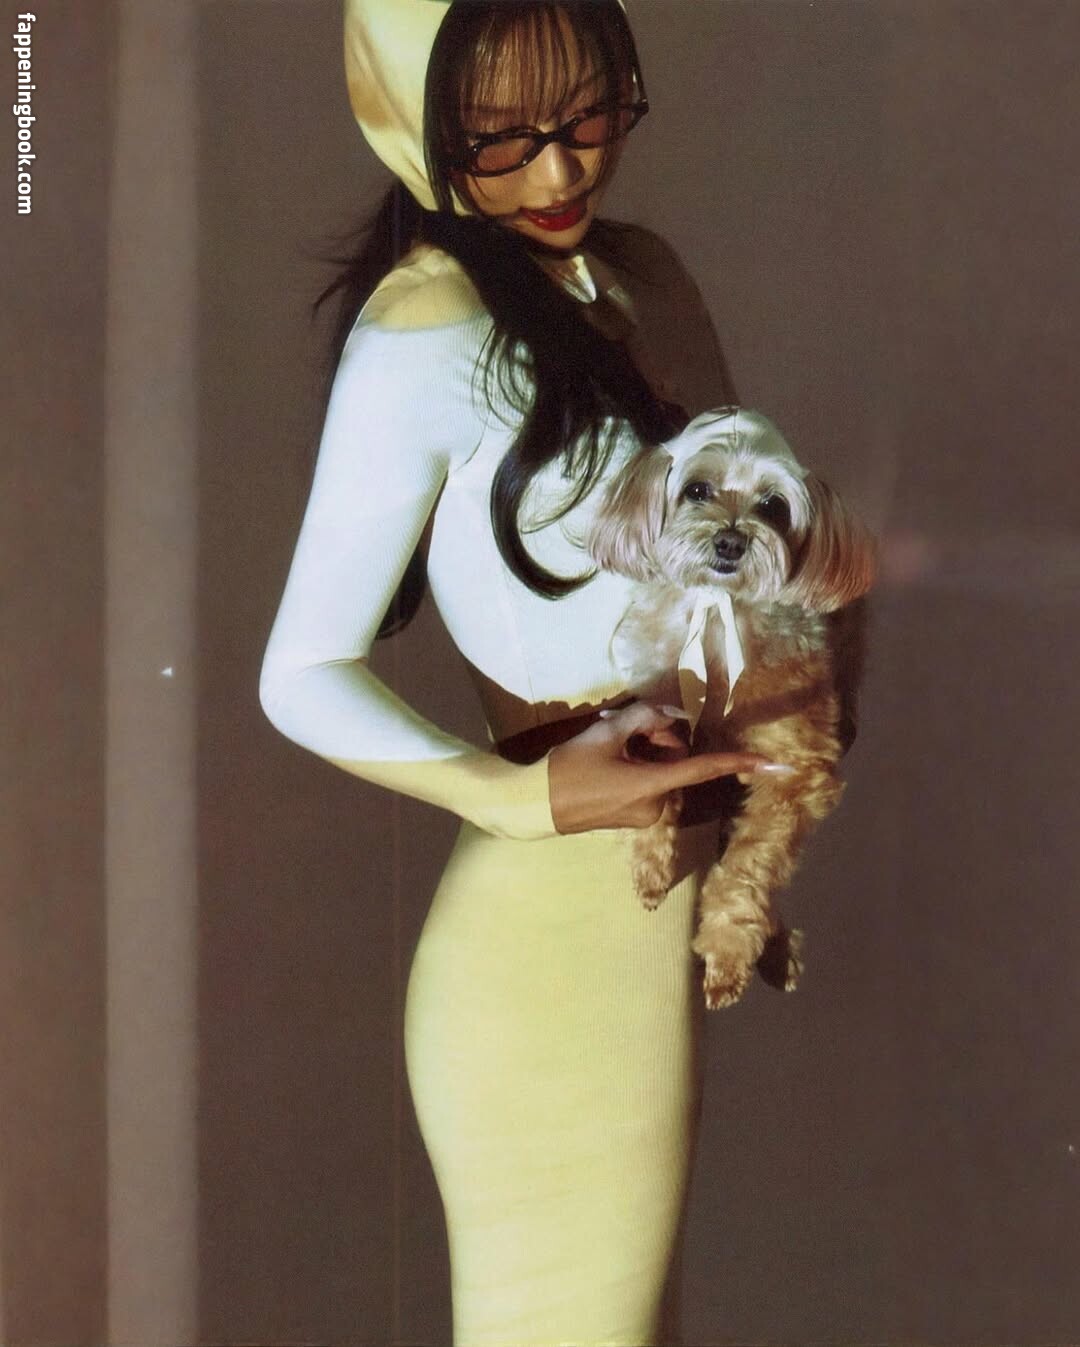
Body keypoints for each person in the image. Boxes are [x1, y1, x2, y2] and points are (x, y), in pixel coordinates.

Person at [260, 2, 775, 1341]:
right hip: (550, 944)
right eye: (500, 136)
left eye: (590, 111)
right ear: (414, 118)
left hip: (654, 913)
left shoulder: (645, 276)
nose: (561, 169)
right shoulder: (425, 329)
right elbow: (299, 670)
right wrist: (518, 797)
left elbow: (727, 562)